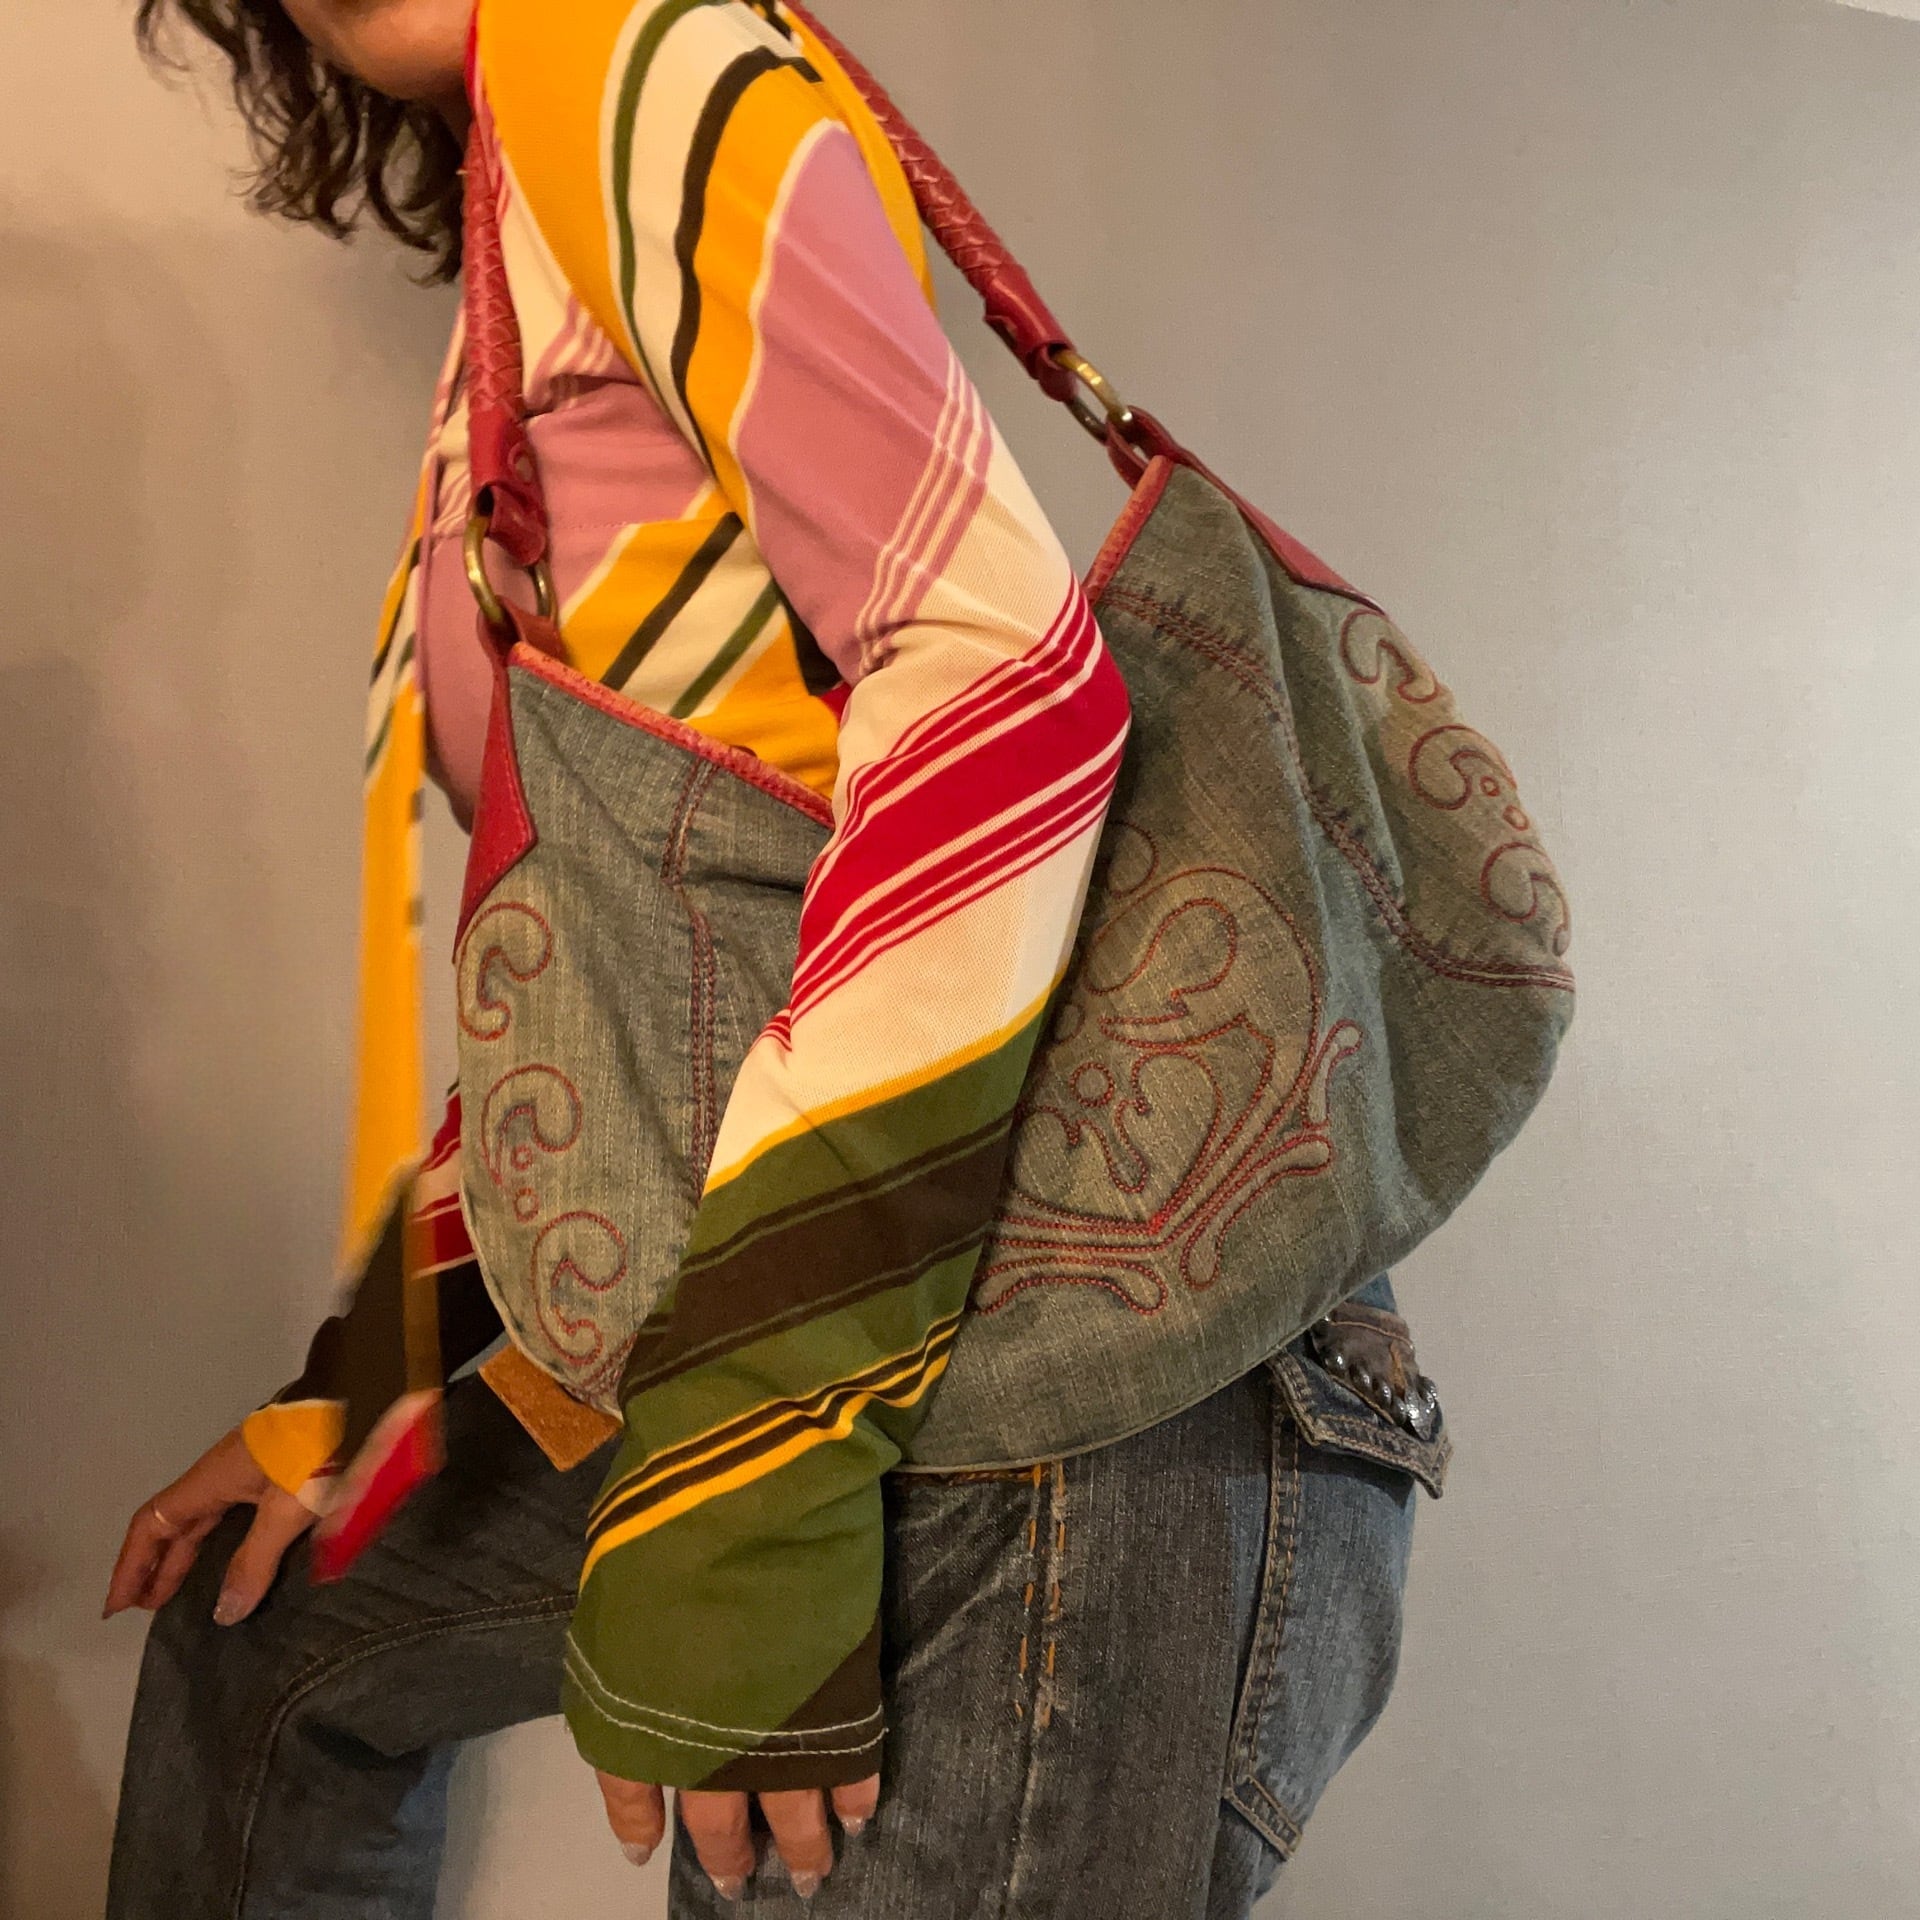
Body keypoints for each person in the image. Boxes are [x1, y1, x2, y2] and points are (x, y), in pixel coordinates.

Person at [103, 3, 1441, 1914]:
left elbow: (1006, 697)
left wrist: (750, 1484)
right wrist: (372, 1377)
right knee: (274, 1651)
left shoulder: (603, 41)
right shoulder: (539, 207)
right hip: (884, 1338)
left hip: (1047, 1357)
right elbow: (648, 962)